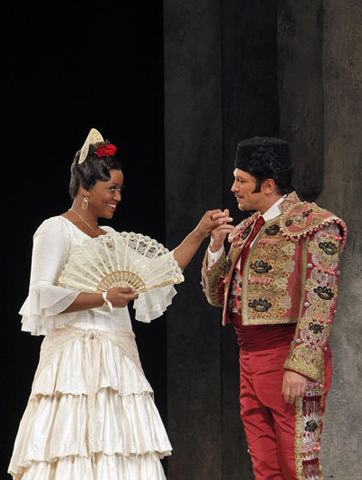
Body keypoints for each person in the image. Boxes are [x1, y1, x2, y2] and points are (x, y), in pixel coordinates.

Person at [8, 128, 230, 479]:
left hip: (118, 356)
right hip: (74, 359)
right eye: (111, 189)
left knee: (121, 449)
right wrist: (103, 297)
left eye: (119, 189)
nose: (117, 197)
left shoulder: (110, 237)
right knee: (73, 448)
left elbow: (158, 273)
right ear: (85, 188)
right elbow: (42, 295)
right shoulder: (56, 229)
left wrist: (200, 233)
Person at [201, 137, 347, 479]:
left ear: (267, 185)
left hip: (287, 357)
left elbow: (321, 300)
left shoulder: (318, 225)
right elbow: (214, 296)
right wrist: (216, 247)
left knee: (299, 464)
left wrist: (302, 366)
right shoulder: (242, 231)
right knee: (265, 465)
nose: (233, 187)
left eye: (241, 180)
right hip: (248, 357)